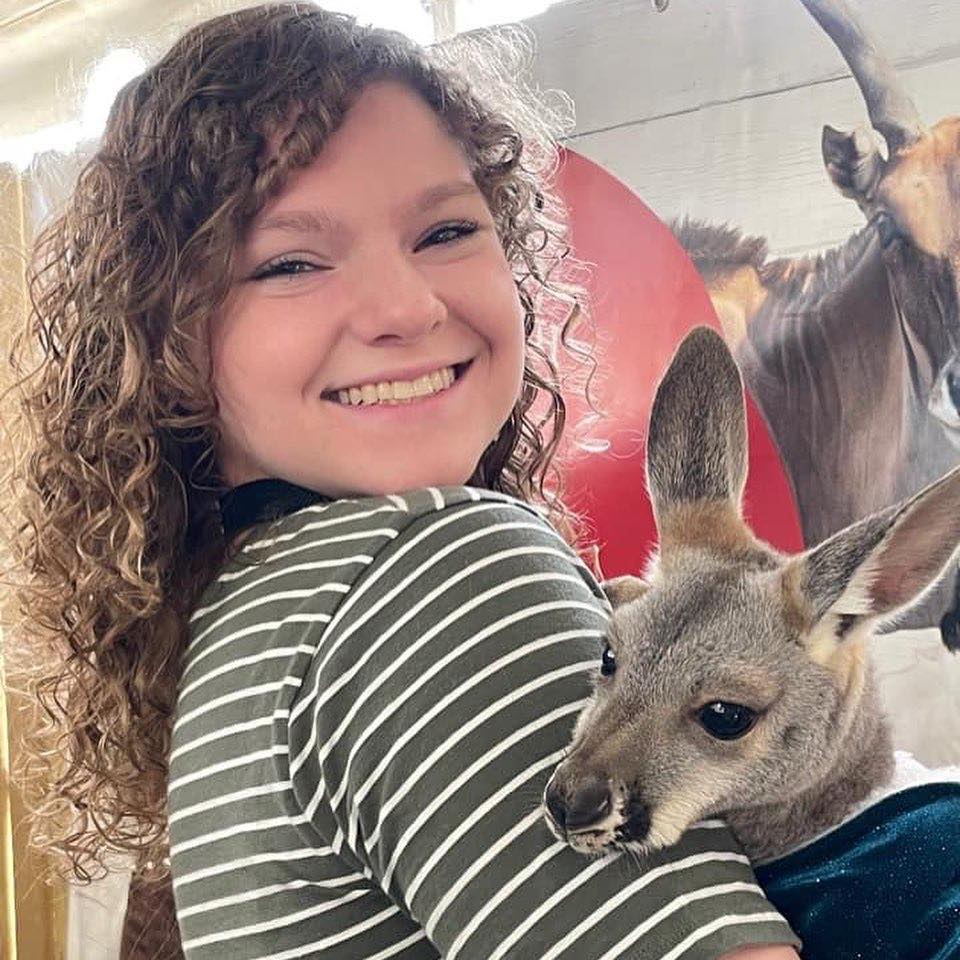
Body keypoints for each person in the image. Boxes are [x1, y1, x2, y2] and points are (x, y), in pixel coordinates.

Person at [2, 4, 803, 957]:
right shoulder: (438, 569)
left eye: (444, 231)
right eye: (291, 261)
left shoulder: (251, 606)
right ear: (171, 341)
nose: (406, 307)